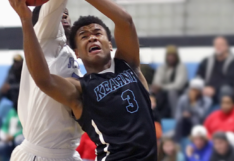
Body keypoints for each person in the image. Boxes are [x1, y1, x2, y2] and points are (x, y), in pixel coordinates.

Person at [9, 0, 157, 160]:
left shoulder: (129, 65)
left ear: (110, 44)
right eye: (84, 36)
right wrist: (25, 20)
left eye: (97, 33)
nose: (92, 38)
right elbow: (44, 80)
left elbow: (126, 21)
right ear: (77, 52)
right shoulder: (81, 89)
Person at [10, 1, 83, 161]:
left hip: (68, 154)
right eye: (60, 11)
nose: (64, 13)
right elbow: (55, 5)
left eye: (67, 12)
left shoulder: (70, 52)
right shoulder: (44, 38)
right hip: (39, 154)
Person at [196, 36, 234, 102]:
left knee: (226, 89)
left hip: (220, 91)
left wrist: (214, 88)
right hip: (206, 89)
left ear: (227, 46)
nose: (218, 47)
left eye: (221, 45)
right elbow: (199, 75)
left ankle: (223, 111)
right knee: (192, 89)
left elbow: (231, 80)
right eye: (216, 45)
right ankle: (192, 111)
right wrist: (203, 87)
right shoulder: (206, 61)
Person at [152, 45, 188, 117]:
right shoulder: (162, 67)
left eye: (173, 55)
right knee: (151, 91)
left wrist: (162, 87)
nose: (170, 58)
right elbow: (156, 82)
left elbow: (178, 85)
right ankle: (153, 116)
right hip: (163, 93)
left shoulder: (181, 67)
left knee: (172, 92)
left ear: (176, 56)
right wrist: (157, 87)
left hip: (178, 92)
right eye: (169, 55)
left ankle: (175, 116)